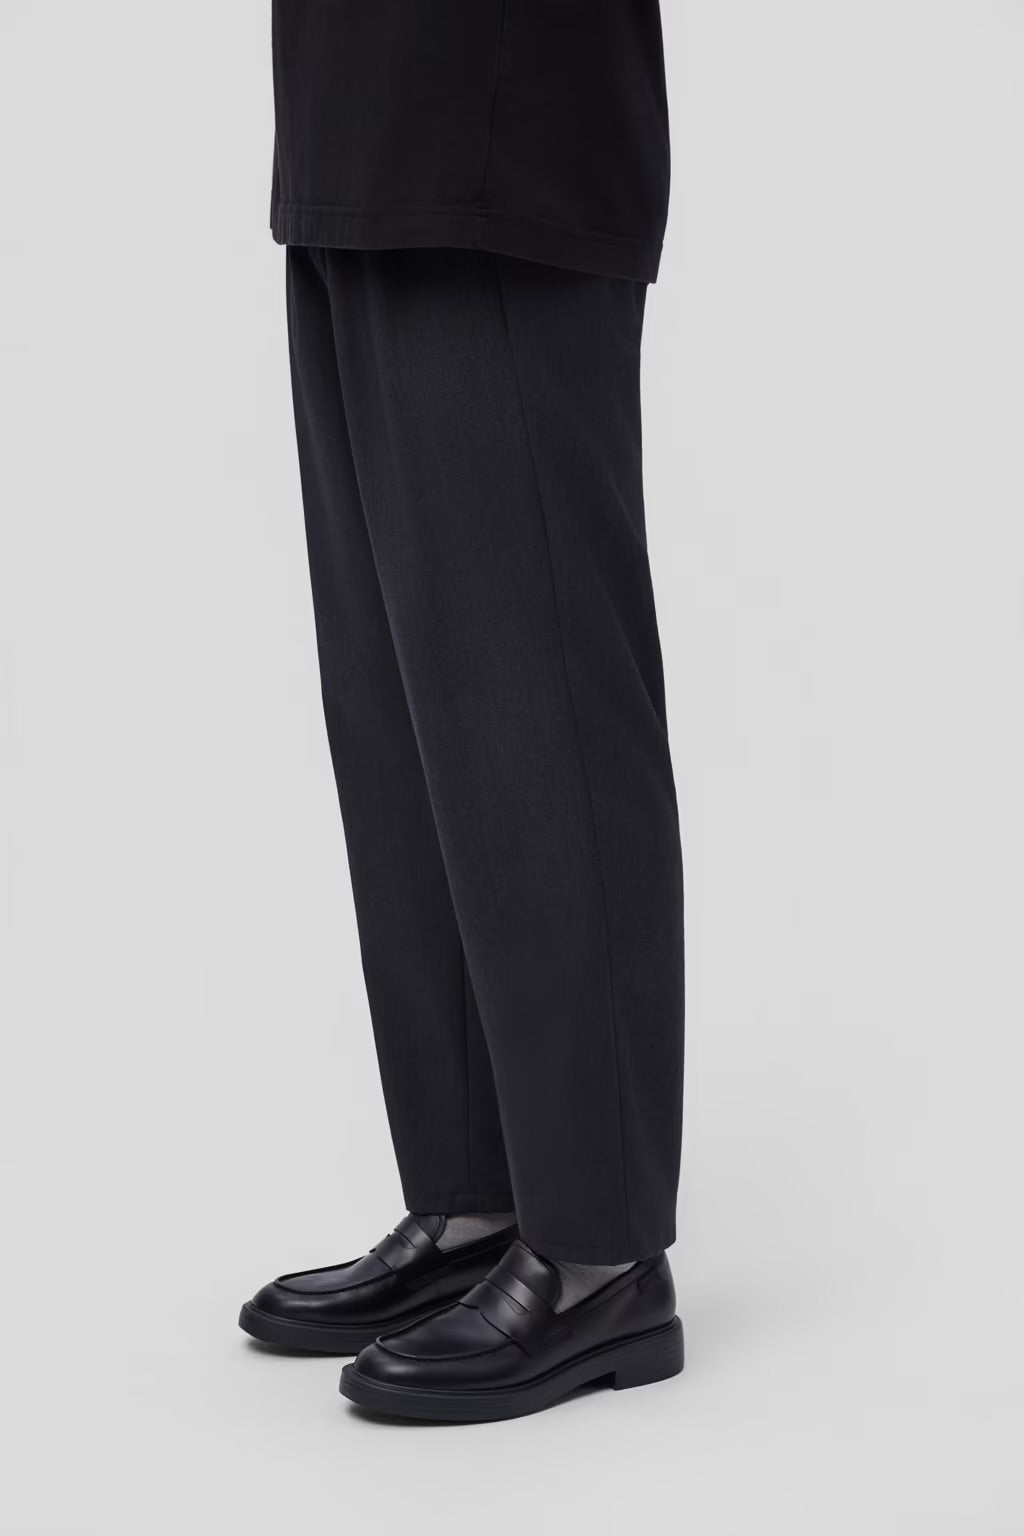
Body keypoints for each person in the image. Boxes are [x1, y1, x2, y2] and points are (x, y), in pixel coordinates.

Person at [239, 0, 686, 1422]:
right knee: (401, 716)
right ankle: (480, 1200)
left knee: (532, 702)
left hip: (501, 128)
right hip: (350, 112)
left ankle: (599, 1245)